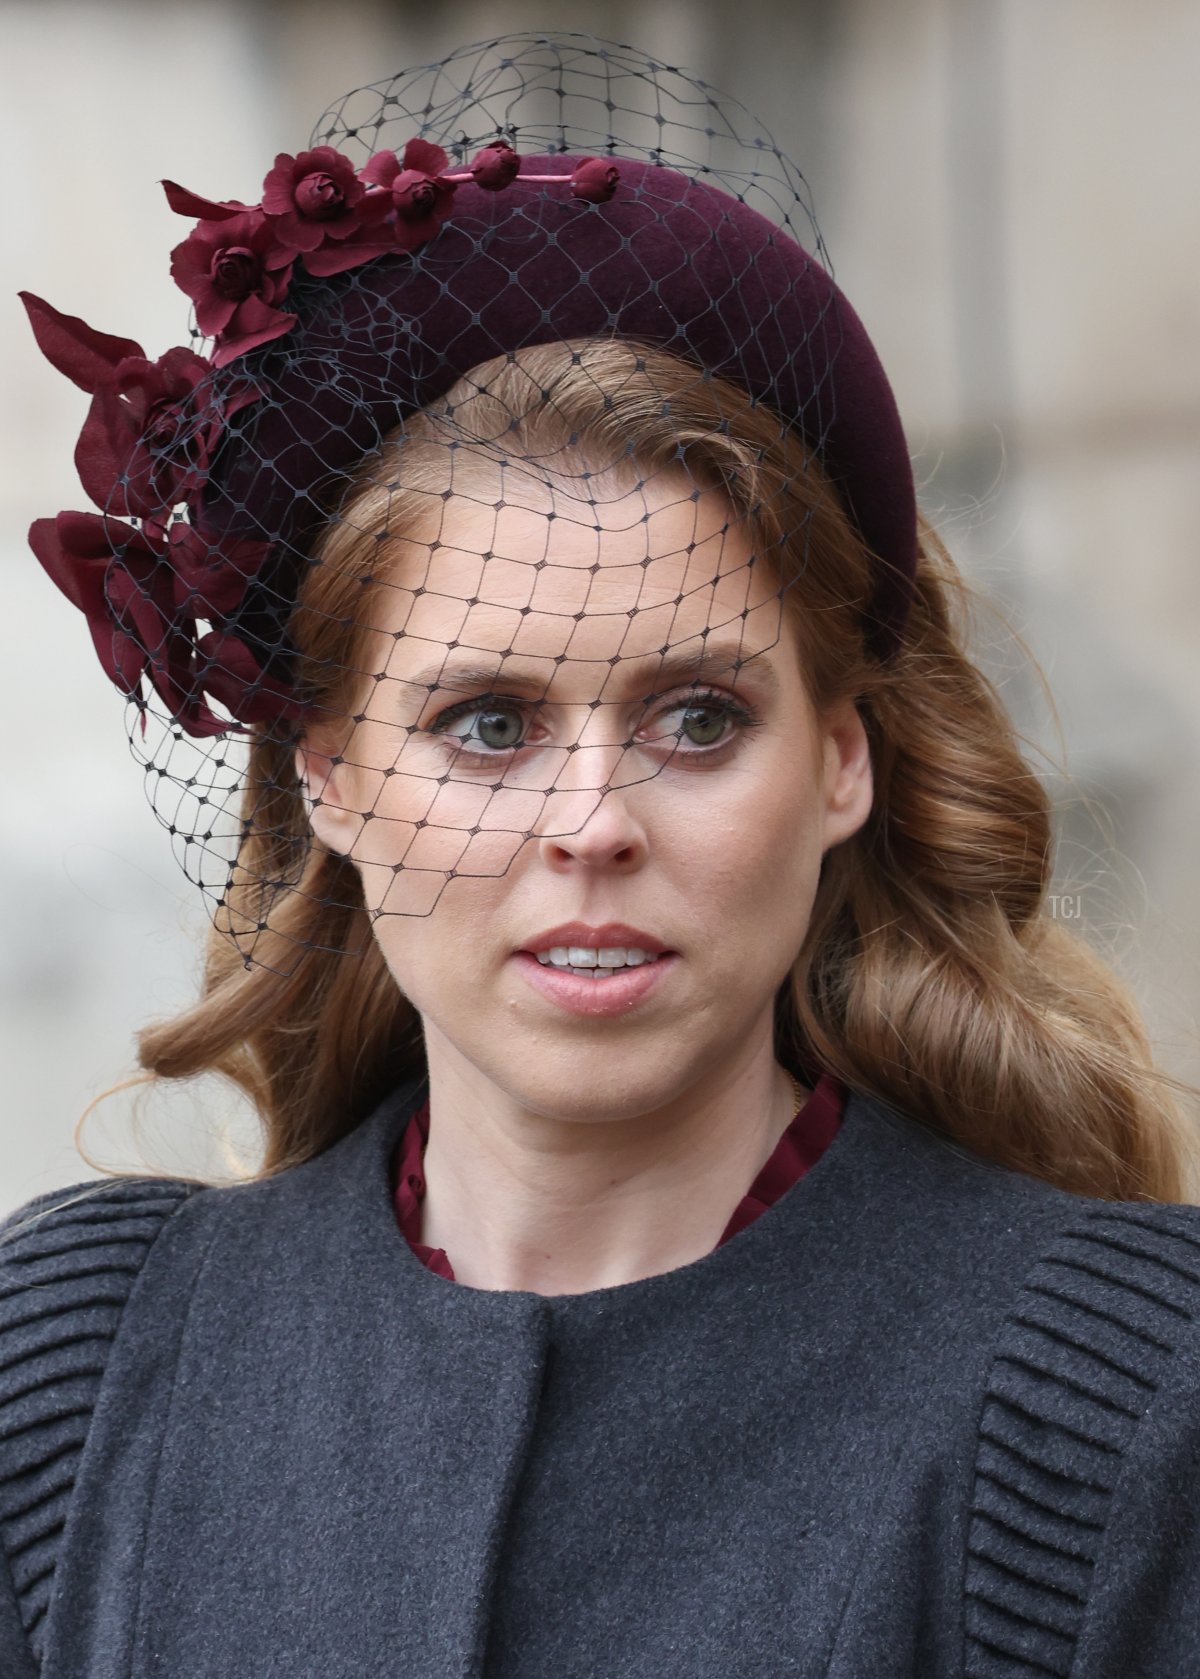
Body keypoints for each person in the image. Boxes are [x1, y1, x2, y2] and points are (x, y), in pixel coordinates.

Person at [2, 34, 1198, 1678]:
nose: (594, 823)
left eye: (699, 719)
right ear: (333, 779)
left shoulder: (1130, 1400)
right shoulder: (73, 1372)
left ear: (842, 759)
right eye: (488, 724)